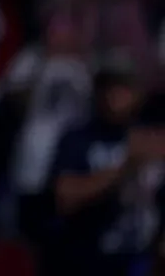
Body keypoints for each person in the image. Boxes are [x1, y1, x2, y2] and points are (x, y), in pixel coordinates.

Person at [50, 52, 165, 276]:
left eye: (123, 87)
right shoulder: (79, 138)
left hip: (140, 260)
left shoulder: (150, 138)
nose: (114, 95)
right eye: (108, 86)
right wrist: (126, 168)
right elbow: (65, 197)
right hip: (87, 258)